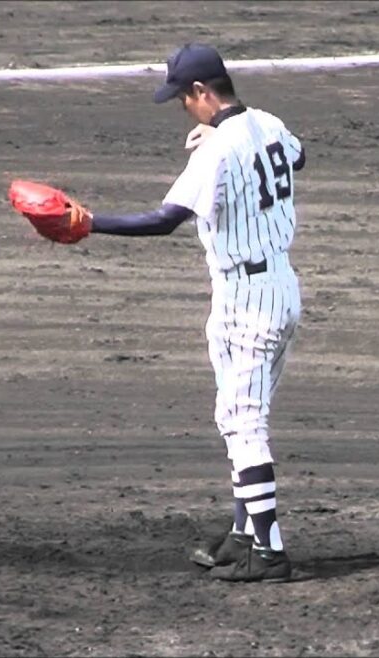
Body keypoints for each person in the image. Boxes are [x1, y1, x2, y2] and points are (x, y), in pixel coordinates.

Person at [87, 43, 306, 583]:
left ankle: (270, 552)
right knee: (236, 415)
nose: (183, 108)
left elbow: (164, 220)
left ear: (203, 93)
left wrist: (88, 222)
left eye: (184, 98)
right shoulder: (267, 122)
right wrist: (222, 134)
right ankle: (243, 535)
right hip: (278, 288)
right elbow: (297, 157)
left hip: (247, 300)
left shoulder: (215, 153)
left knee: (243, 422)